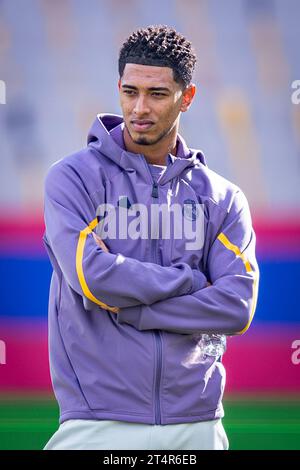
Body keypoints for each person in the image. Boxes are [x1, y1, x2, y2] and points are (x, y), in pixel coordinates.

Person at [43, 25, 259, 450]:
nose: (139, 107)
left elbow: (236, 306)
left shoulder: (223, 198)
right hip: (95, 423)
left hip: (197, 424)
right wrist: (192, 282)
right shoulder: (72, 178)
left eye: (157, 94)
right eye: (129, 92)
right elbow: (92, 277)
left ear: (188, 97)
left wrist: (138, 312)